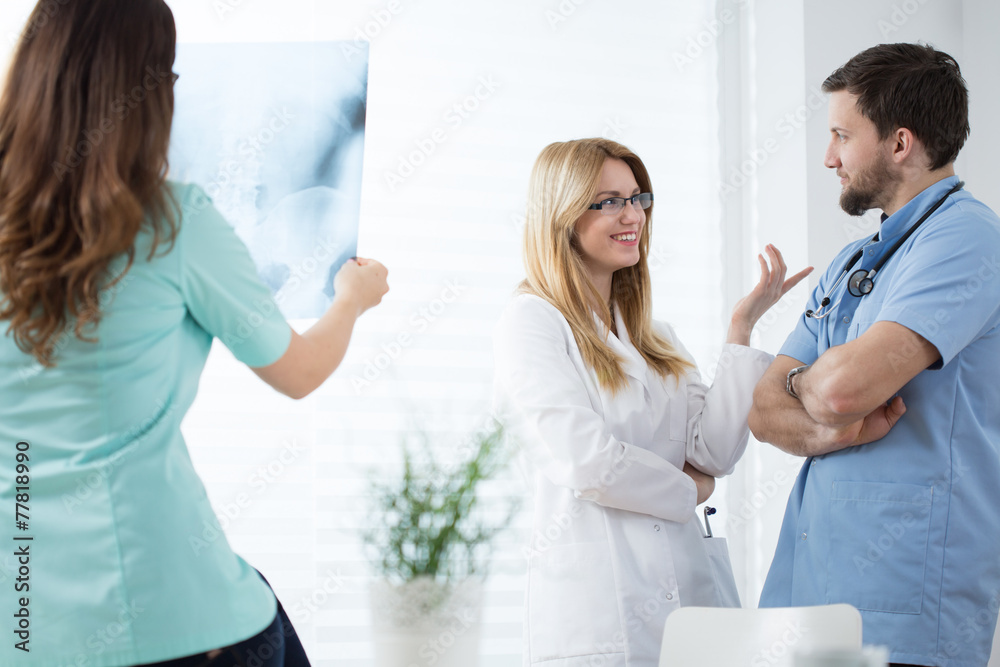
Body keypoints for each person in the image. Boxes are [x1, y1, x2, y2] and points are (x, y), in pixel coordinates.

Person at [0, 1, 388, 666]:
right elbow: (299, 372)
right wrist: (352, 299)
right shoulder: (172, 222)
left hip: (24, 622)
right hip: (174, 616)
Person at [492, 138, 811, 666]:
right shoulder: (532, 321)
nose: (632, 214)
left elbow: (714, 452)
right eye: (609, 200)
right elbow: (588, 462)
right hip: (601, 608)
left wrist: (741, 328)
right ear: (562, 214)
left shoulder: (654, 336)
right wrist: (689, 489)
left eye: (637, 198)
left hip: (690, 598)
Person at [751, 43, 1000, 667]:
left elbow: (840, 391)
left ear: (900, 143)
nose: (829, 157)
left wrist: (812, 390)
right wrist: (832, 408)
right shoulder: (854, 262)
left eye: (841, 135)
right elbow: (761, 411)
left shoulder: (965, 239)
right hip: (810, 595)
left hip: (903, 602)